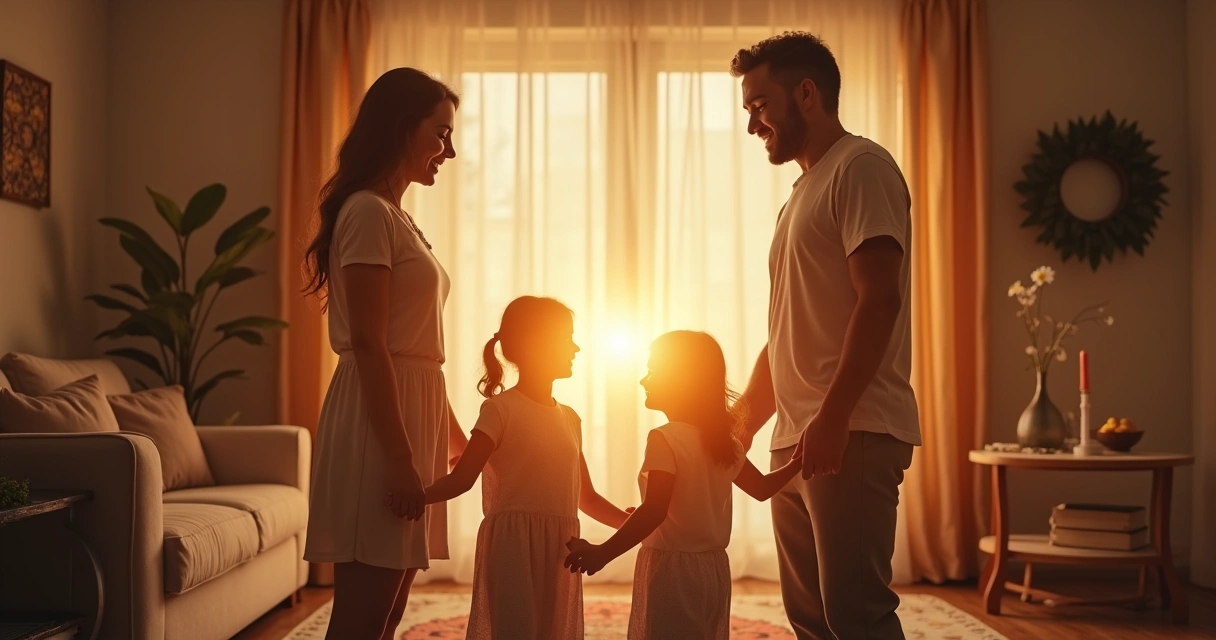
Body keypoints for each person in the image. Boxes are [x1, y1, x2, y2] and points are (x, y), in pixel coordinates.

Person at [729, 32, 921, 640]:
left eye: (760, 105)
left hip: (851, 429)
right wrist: (744, 418)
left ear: (806, 93)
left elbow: (880, 298)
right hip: (797, 437)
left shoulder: (860, 168)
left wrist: (834, 415)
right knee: (810, 619)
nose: (753, 124)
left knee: (856, 617)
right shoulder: (800, 194)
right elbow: (786, 327)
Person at [300, 67, 470, 640]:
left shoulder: (399, 218)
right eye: (441, 132)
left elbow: (420, 352)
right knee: (362, 617)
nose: (449, 149)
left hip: (406, 418)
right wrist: (399, 457)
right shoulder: (369, 212)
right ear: (402, 127)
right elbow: (372, 343)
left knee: (387, 614)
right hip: (381, 428)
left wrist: (456, 444)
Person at [564, 330, 803, 639]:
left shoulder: (664, 438)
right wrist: (797, 463)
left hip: (671, 570)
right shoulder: (723, 441)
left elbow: (654, 512)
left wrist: (602, 553)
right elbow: (762, 489)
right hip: (714, 569)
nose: (643, 380)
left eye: (652, 371)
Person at [425, 296, 629, 639]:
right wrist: (416, 496)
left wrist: (636, 525)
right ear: (536, 345)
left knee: (553, 630)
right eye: (566, 338)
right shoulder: (500, 411)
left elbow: (587, 498)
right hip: (512, 549)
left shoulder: (570, 419)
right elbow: (462, 479)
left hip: (561, 549)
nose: (576, 347)